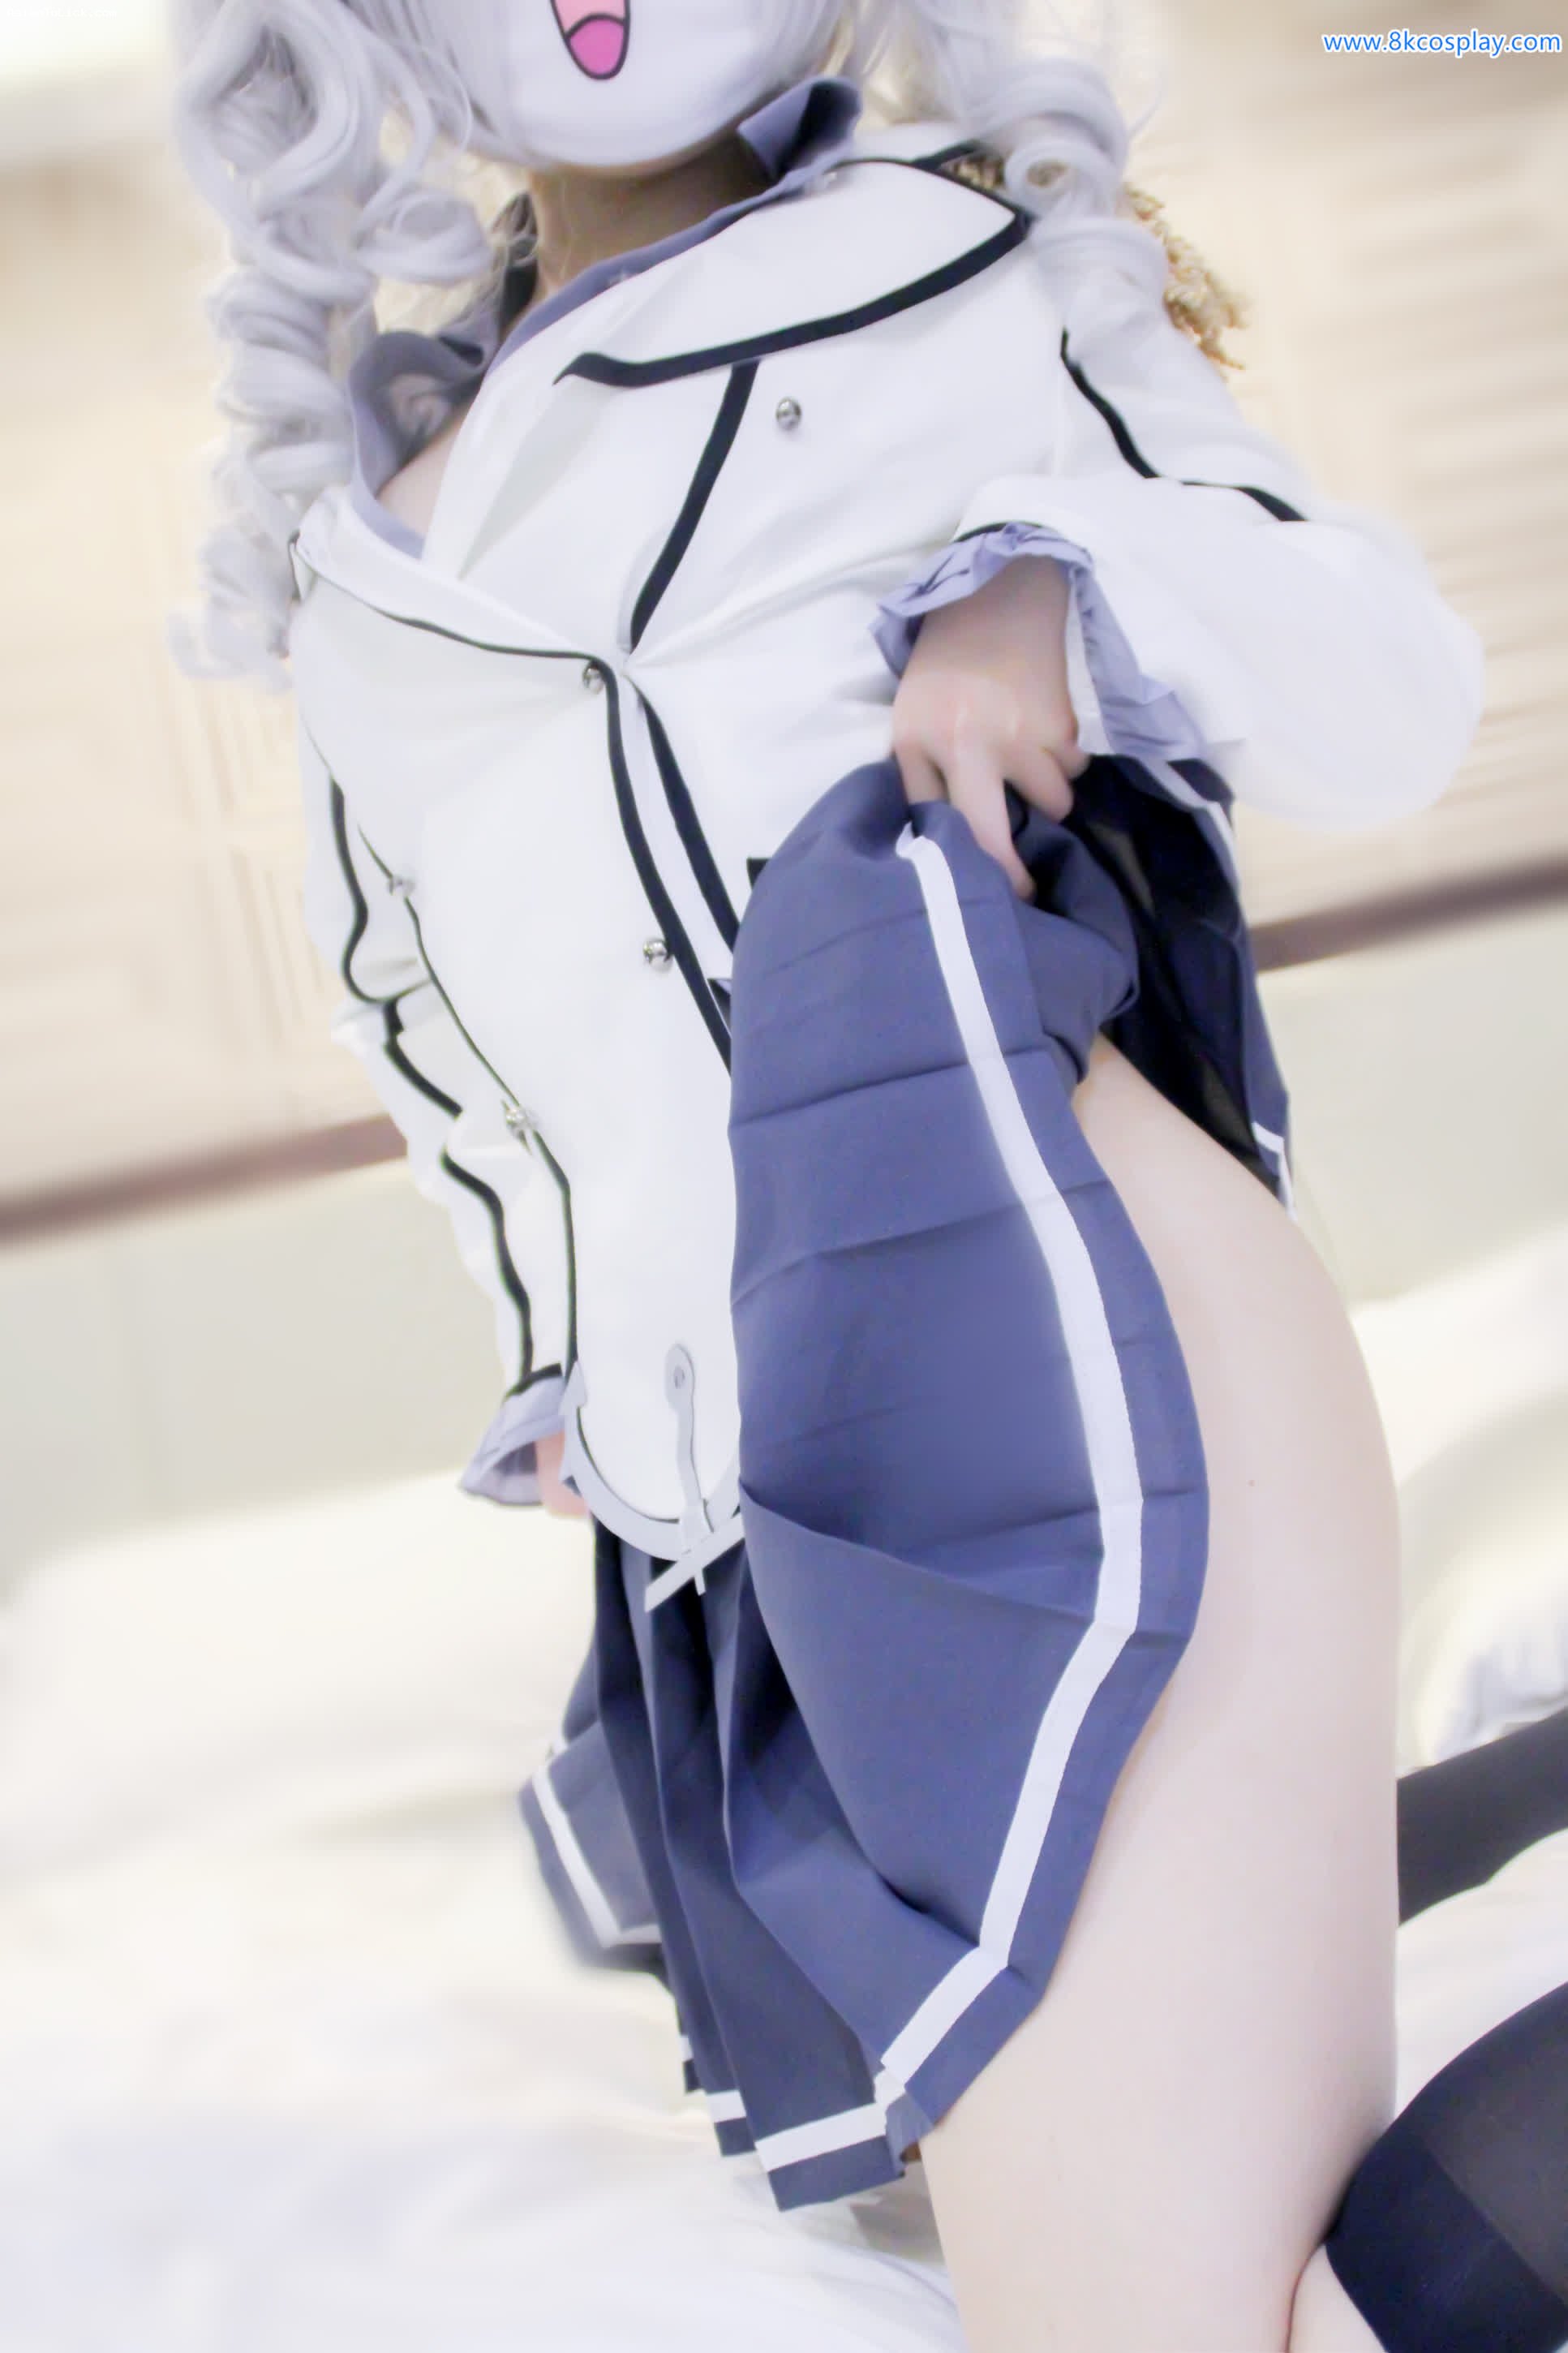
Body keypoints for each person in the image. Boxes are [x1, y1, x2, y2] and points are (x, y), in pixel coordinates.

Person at [171, 6, 1542, 2347]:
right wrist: (571, 1361)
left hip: (1088, 1368)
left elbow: (1388, 685)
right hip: (765, 1535)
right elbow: (430, 1034)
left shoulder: (969, 282)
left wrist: (1047, 586)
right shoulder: (366, 569)